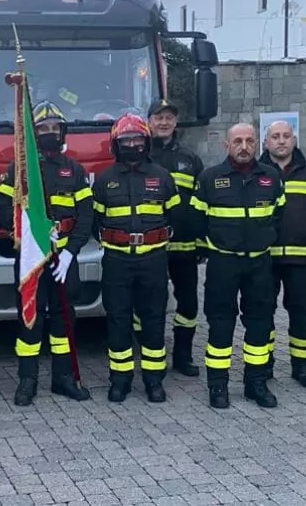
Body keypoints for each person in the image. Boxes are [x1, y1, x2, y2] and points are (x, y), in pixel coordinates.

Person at [0, 100, 93, 405]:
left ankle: (63, 379)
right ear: (34, 134)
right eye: (44, 129)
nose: (51, 133)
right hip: (32, 260)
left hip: (63, 260)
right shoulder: (21, 169)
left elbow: (86, 215)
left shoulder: (73, 170)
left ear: (63, 132)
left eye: (55, 128)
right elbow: (1, 207)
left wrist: (71, 252)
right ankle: (27, 381)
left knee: (64, 319)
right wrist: (23, 232)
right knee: (30, 320)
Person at [191, 123, 286, 409]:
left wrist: (263, 240)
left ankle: (255, 383)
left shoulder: (271, 177)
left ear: (257, 144)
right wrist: (212, 246)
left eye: (249, 141)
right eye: (237, 141)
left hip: (259, 264)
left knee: (259, 324)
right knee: (220, 324)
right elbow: (197, 219)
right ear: (227, 146)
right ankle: (217, 385)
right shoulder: (210, 178)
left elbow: (279, 217)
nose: (243, 146)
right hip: (223, 263)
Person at [92, 112, 182, 404]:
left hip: (153, 260)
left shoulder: (162, 177)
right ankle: (120, 380)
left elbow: (176, 216)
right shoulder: (105, 180)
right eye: (125, 140)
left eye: (136, 139)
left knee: (154, 320)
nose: (132, 144)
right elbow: (95, 222)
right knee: (117, 321)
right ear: (116, 144)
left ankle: (154, 381)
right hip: (117, 261)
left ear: (146, 142)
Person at [259, 120, 306, 388]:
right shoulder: (256, 172)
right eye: (275, 136)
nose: (281, 141)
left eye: (286, 136)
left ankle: (303, 366)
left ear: (294, 140)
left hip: (300, 259)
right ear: (266, 143)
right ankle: (262, 364)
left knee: (302, 313)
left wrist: (304, 228)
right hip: (264, 259)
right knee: (263, 312)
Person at [146, 99, 205, 377]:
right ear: (149, 121)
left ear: (175, 122)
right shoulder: (139, 155)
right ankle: (149, 354)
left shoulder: (190, 159)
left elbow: (202, 203)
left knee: (188, 303)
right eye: (159, 117)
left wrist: (203, 242)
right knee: (149, 303)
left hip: (184, 246)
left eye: (169, 117)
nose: (164, 122)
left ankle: (183, 355)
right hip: (150, 248)